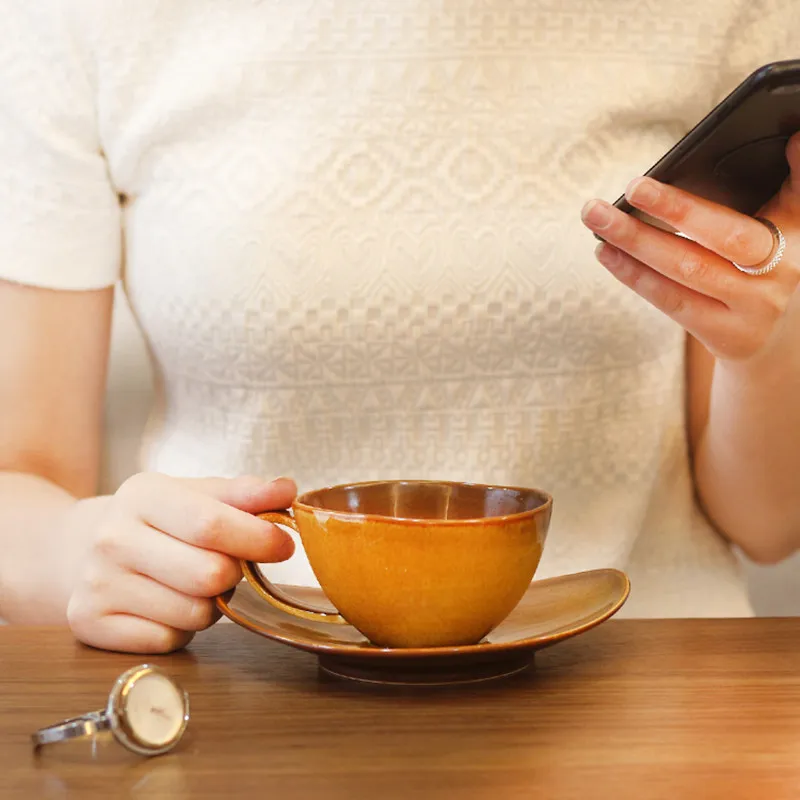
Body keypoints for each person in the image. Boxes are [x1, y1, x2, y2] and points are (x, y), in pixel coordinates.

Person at [1, 1, 799, 654]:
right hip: (243, 704)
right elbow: (20, 478)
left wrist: (769, 349)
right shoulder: (80, 19)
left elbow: (766, 525)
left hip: (649, 697)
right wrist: (74, 550)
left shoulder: (733, 14)